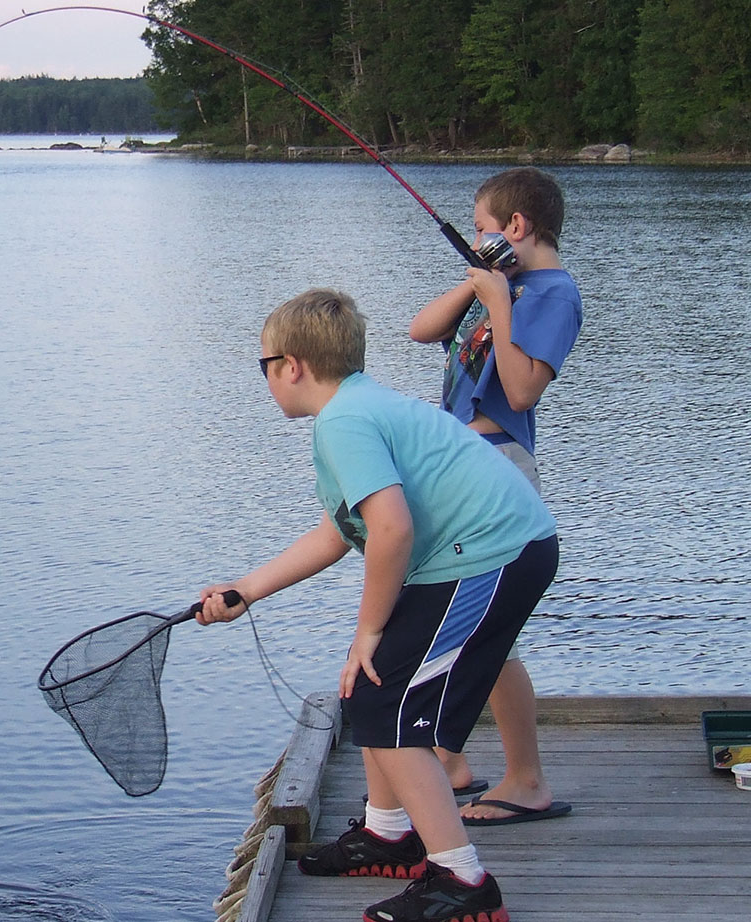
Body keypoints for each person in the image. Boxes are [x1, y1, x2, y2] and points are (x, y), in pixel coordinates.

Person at [196, 288, 559, 922]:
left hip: (495, 554)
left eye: (264, 366)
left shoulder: (344, 421)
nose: (267, 380)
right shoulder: (354, 408)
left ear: (293, 365)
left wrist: (368, 630)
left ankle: (462, 884)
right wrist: (246, 590)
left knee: (389, 704)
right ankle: (387, 833)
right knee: (369, 690)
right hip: (486, 549)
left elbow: (391, 530)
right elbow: (341, 533)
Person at [408, 166, 582, 825]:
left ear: (517, 227)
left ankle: (522, 778)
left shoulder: (553, 295)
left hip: (498, 467)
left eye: (483, 226)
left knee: (486, 626)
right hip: (461, 464)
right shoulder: (498, 284)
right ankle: (460, 764)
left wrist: (502, 303)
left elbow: (522, 390)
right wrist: (477, 283)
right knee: (490, 634)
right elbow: (421, 331)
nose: (477, 237)